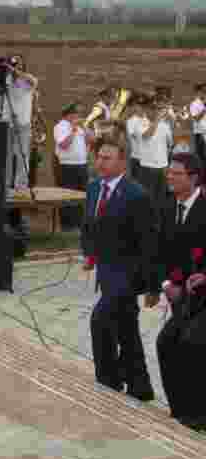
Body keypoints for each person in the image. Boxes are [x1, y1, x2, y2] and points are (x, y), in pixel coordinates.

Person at [81, 132, 158, 401]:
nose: (100, 163)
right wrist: (89, 254)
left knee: (100, 319)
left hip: (128, 273)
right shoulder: (93, 188)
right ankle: (141, 387)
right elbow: (89, 225)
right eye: (98, 157)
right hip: (106, 270)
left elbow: (148, 243)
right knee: (126, 328)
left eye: (107, 158)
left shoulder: (137, 195)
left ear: (123, 162)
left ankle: (108, 380)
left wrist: (152, 286)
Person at [156, 153, 206, 429]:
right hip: (182, 297)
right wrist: (166, 285)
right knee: (166, 343)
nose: (170, 177)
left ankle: (199, 415)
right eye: (169, 173)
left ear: (193, 177)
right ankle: (180, 410)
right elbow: (159, 253)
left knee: (193, 344)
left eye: (177, 173)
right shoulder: (167, 208)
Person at [3, 55, 37, 192]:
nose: (15, 67)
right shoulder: (8, 79)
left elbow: (33, 82)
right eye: (13, 64)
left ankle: (21, 185)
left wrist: (14, 71)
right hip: (8, 123)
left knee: (23, 153)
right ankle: (6, 185)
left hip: (23, 124)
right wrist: (9, 73)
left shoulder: (28, 80)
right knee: (7, 155)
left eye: (18, 64)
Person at [54, 103, 89, 230]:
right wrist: (73, 130)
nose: (78, 116)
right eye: (76, 114)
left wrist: (85, 129)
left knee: (81, 196)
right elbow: (64, 145)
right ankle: (67, 226)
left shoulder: (78, 127)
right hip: (68, 167)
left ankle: (80, 225)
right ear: (69, 114)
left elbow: (91, 140)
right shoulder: (60, 127)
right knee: (68, 196)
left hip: (82, 165)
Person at [139, 100, 174, 222]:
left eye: (158, 109)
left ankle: (160, 223)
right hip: (147, 168)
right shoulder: (142, 123)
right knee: (148, 199)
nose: (156, 111)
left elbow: (170, 143)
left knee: (162, 198)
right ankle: (147, 223)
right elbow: (147, 135)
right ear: (147, 111)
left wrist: (172, 120)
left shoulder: (165, 125)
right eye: (153, 109)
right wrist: (157, 120)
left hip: (162, 167)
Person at [126, 99, 148, 179]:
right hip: (137, 157)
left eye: (143, 106)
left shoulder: (149, 120)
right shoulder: (131, 121)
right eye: (139, 106)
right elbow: (133, 136)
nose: (141, 108)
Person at [190, 83, 206, 167]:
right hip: (200, 134)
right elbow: (196, 118)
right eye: (203, 91)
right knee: (201, 157)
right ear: (198, 92)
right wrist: (204, 109)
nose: (204, 93)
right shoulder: (194, 104)